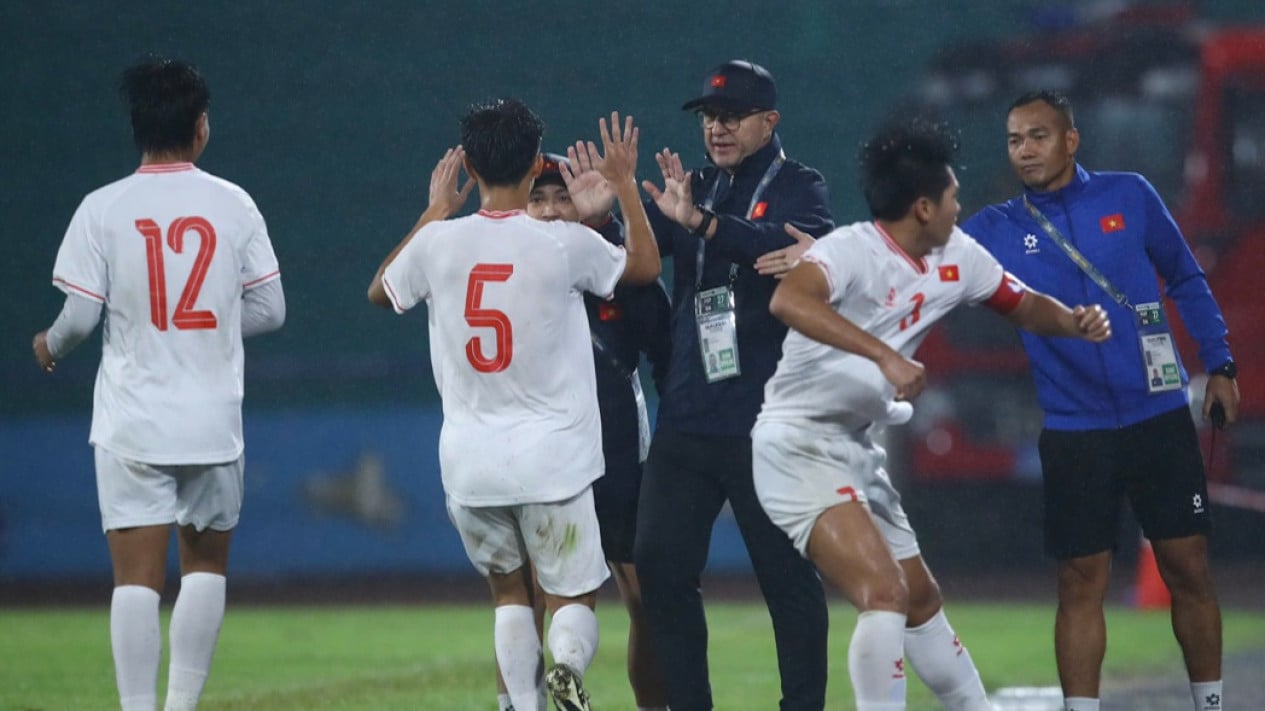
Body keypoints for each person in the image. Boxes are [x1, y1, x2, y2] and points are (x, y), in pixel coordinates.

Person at [752, 116, 1111, 711]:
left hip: (856, 449)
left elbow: (1020, 305)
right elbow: (788, 299)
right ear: (923, 207)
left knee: (919, 597)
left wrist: (1072, 321)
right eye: (951, 196)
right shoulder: (850, 249)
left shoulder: (959, 255)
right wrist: (886, 358)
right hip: (795, 446)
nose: (958, 205)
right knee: (884, 593)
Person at [366, 101, 660, 711]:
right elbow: (644, 266)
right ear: (535, 165)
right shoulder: (561, 243)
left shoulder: (438, 244)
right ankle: (569, 667)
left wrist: (437, 208)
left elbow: (380, 290)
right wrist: (626, 188)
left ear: (469, 165)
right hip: (552, 458)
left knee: (508, 596)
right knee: (572, 597)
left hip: (470, 462)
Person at [961, 90, 1238, 711]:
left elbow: (1186, 277)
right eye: (1013, 140)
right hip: (1074, 431)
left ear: (1070, 140)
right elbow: (907, 255)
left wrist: (1220, 363)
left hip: (1159, 417)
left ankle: (1212, 705)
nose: (1024, 150)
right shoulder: (995, 229)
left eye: (1037, 136)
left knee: (1187, 568)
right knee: (1079, 582)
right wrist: (819, 255)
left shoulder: (1129, 194)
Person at [31, 56, 285, 711]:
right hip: (212, 417)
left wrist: (48, 344)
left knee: (135, 581)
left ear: (138, 129)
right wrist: (212, 330)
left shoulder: (102, 208)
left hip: (132, 419)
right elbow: (271, 309)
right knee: (205, 567)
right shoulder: (233, 203)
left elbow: (81, 316)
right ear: (200, 128)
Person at [633, 59, 833, 711]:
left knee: (786, 579)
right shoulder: (685, 188)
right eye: (709, 117)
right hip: (687, 415)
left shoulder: (801, 186)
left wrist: (704, 225)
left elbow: (790, 242)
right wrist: (601, 213)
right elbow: (636, 258)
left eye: (731, 116)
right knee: (659, 569)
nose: (716, 128)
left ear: (768, 121)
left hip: (764, 421)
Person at [523, 151, 673, 710]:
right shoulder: (506, 271)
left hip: (617, 461)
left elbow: (668, 356)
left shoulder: (617, 268)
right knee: (534, 599)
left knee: (646, 598)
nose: (550, 209)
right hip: (544, 460)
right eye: (536, 199)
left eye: (560, 196)